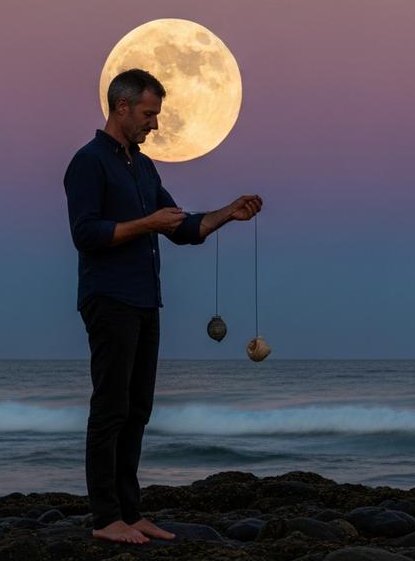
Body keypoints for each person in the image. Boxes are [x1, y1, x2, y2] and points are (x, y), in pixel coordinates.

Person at [62, 68, 263, 545]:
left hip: (146, 300)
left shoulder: (144, 167)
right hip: (107, 298)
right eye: (149, 114)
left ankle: (130, 514)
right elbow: (85, 234)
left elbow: (180, 228)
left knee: (138, 409)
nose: (155, 125)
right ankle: (105, 518)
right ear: (122, 107)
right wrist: (144, 221)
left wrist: (225, 214)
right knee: (110, 408)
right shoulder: (88, 162)